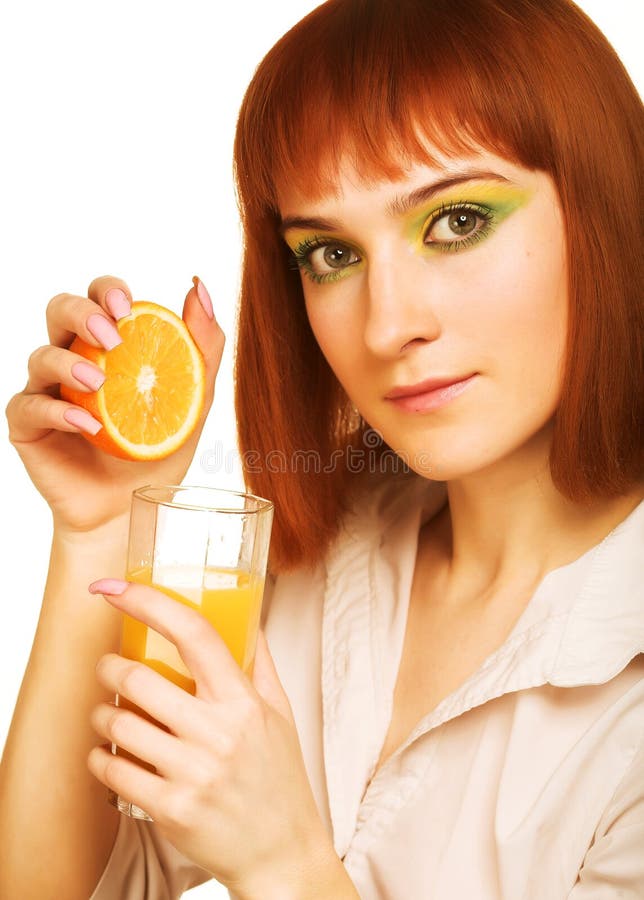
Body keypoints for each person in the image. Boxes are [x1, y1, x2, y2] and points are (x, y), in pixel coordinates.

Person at [1, 0, 642, 897]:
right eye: (331, 254)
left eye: (457, 221)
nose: (388, 325)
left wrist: (283, 864)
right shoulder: (312, 560)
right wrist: (100, 528)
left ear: (607, 206)